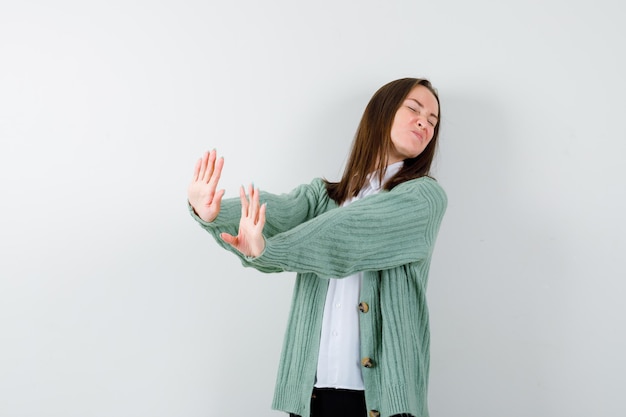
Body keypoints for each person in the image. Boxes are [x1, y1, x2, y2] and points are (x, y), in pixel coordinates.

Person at [187, 78, 447, 417]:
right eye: (414, 109)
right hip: (311, 397)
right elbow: (278, 211)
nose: (424, 123)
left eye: (432, 121)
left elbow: (346, 234)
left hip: (382, 399)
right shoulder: (325, 196)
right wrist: (216, 211)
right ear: (381, 113)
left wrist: (268, 251)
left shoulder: (423, 197)